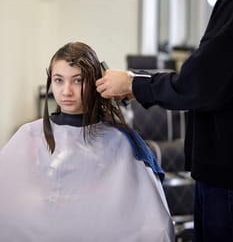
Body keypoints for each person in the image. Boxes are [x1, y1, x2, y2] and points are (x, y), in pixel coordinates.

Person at [96, 0, 233, 242]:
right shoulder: (225, 3)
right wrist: (137, 84)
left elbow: (196, 85)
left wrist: (133, 82)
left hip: (227, 180)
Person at [0, 41, 174, 242]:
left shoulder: (121, 141)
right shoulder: (28, 134)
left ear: (95, 82)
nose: (66, 91)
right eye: (58, 80)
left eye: (78, 80)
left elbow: (153, 225)